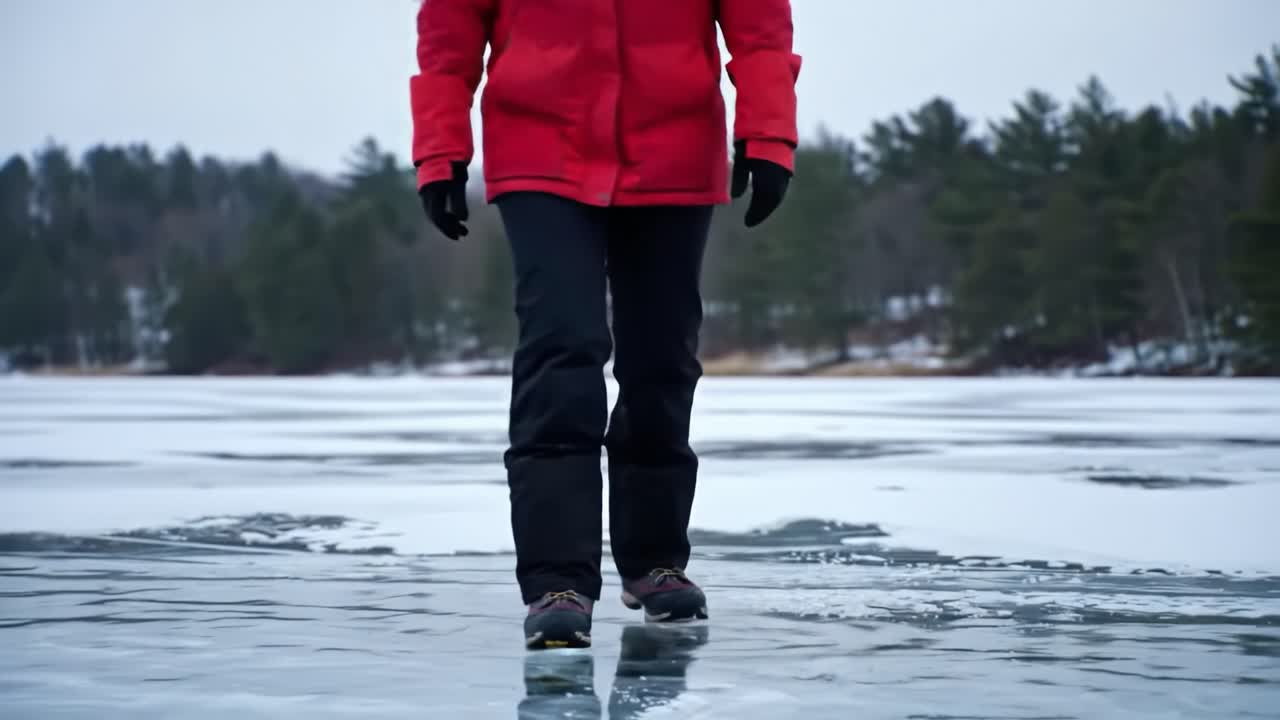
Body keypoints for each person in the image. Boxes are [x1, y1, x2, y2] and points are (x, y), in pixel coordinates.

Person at [410, 0, 800, 649]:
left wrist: (768, 133)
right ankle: (557, 580)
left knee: (662, 358)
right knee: (562, 350)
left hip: (674, 150)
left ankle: (654, 563)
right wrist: (440, 147)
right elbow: (448, 30)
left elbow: (760, 24)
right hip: (541, 150)